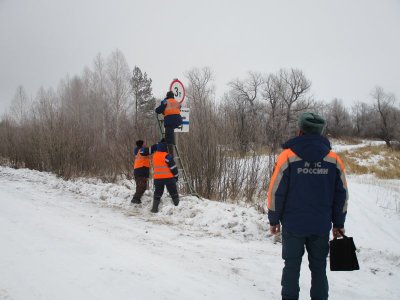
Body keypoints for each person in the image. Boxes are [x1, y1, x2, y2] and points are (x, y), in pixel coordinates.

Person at [267, 112, 348, 300]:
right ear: (320, 132)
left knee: (291, 266)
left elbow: (275, 191)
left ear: (300, 130)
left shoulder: (287, 156)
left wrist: (273, 219)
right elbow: (341, 195)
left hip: (294, 225)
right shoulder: (334, 159)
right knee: (319, 268)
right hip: (320, 226)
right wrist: (338, 223)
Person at [151, 139, 179, 213]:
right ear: (165, 147)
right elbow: (173, 167)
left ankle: (154, 208)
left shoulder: (154, 156)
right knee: (173, 192)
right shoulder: (167, 156)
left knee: (157, 193)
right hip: (168, 178)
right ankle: (178, 207)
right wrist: (176, 176)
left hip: (157, 179)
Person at [155, 91, 182, 157]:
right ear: (173, 96)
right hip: (178, 120)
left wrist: (156, 110)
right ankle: (172, 144)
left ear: (167, 96)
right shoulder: (176, 102)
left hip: (170, 120)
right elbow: (179, 107)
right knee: (171, 133)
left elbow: (159, 110)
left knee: (168, 137)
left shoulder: (165, 101)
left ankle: (170, 156)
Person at [131, 140, 151, 204]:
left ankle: (137, 200)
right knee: (142, 186)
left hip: (138, 170)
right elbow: (151, 150)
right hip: (141, 170)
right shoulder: (142, 150)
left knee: (139, 186)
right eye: (144, 143)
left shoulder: (137, 151)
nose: (145, 144)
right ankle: (135, 199)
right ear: (141, 145)